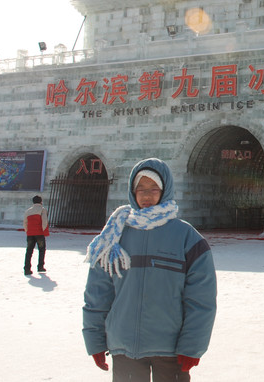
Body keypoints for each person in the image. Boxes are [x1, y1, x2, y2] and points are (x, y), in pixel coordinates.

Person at [82, 158, 217, 381]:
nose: (146, 196)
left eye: (154, 189)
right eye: (140, 189)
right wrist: (95, 339)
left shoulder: (187, 238)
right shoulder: (114, 236)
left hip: (171, 350)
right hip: (124, 348)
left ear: (165, 190)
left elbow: (201, 299)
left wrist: (192, 345)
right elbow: (97, 293)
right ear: (132, 192)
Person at [23, 195, 49, 275]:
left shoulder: (28, 211)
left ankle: (27, 269)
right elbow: (44, 221)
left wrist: (27, 231)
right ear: (41, 201)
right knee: (41, 250)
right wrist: (44, 231)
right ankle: (40, 266)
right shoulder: (42, 210)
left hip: (30, 233)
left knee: (29, 251)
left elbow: (25, 223)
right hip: (39, 233)